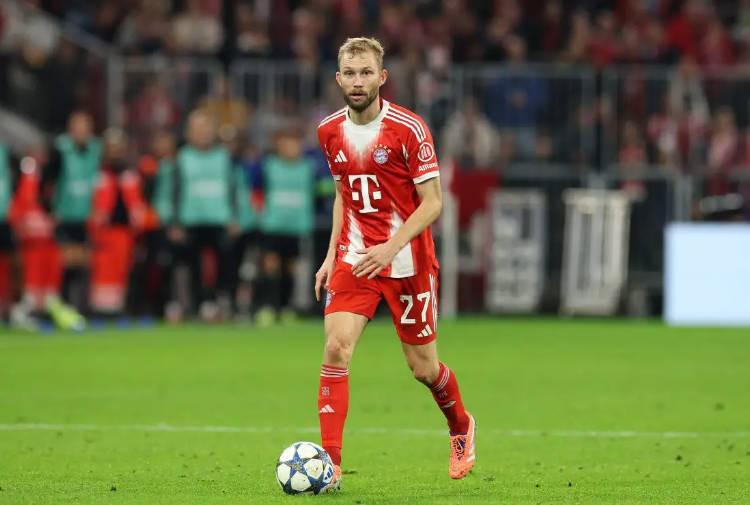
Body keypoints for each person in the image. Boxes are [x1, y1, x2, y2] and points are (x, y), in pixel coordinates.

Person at [314, 37, 476, 492]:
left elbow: (433, 203)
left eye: (366, 73)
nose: (358, 81)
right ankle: (330, 466)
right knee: (336, 348)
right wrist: (331, 254)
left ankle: (461, 426)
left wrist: (390, 247)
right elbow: (344, 195)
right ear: (339, 79)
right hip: (355, 257)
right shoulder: (328, 131)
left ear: (382, 77)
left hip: (407, 261)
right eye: (350, 73)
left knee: (424, 369)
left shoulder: (409, 129)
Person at [169, 111, 236, 321]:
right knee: (192, 266)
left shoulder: (223, 157)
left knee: (224, 265)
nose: (202, 133)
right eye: (197, 129)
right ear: (188, 132)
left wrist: (234, 217)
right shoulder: (182, 157)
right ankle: (195, 306)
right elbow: (175, 191)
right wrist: (175, 222)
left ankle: (221, 303)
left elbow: (232, 188)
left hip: (219, 219)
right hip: (191, 219)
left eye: (206, 128)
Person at [42, 111, 102, 321]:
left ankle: (78, 307)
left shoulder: (95, 149)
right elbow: (46, 181)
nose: (81, 131)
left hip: (85, 216)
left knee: (84, 263)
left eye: (85, 126)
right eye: (77, 126)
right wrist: (49, 209)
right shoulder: (60, 150)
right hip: (65, 215)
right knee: (68, 261)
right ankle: (62, 306)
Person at [253, 129, 316, 326]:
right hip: (273, 225)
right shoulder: (268, 166)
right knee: (270, 267)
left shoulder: (308, 168)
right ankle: (269, 307)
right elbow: (256, 191)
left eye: (294, 144)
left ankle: (287, 307)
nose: (291, 149)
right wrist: (259, 212)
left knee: (291, 270)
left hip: (297, 227)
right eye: (286, 144)